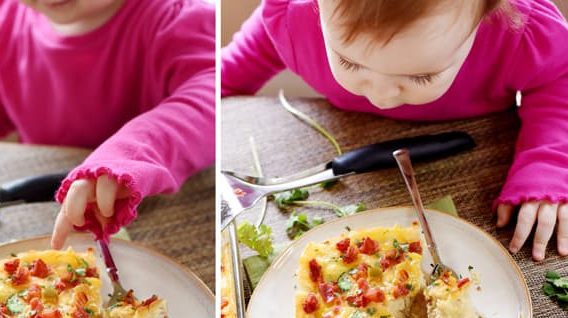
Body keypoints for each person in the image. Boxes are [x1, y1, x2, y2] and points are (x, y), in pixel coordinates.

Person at [222, 0, 568, 261]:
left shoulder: (521, 32)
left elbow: (559, 80)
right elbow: (221, 77)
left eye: (421, 76)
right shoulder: (291, 18)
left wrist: (548, 164)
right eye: (350, 62)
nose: (381, 96)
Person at [0, 0, 215, 248]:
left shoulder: (178, 19)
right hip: (45, 209)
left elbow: (205, 103)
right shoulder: (10, 13)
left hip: (145, 218)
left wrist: (129, 157)